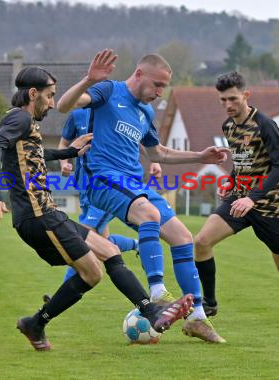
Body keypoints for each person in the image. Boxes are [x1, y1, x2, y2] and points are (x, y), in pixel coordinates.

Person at [0, 66, 193, 351]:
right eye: (50, 96)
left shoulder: (25, 123)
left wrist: (69, 152)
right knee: (94, 270)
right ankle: (151, 310)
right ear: (34, 94)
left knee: (106, 257)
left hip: (48, 214)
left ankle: (35, 324)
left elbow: (33, 154)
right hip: (38, 217)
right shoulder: (20, 117)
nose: (53, 103)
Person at [57, 49, 228, 343]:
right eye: (157, 85)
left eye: (164, 87)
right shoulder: (108, 91)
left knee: (182, 236)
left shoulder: (145, 112)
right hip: (101, 179)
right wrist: (89, 79)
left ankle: (198, 318)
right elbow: (63, 106)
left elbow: (157, 152)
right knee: (148, 215)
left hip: (133, 183)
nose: (160, 93)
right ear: (139, 74)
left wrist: (199, 155)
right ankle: (157, 293)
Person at [193, 72, 279, 324]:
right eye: (222, 100)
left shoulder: (264, 124)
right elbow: (242, 162)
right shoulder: (228, 126)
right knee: (201, 242)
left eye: (232, 99)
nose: (228, 105)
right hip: (239, 200)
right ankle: (210, 304)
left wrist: (252, 198)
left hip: (269, 208)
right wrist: (231, 183)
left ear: (246, 95)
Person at [57, 108, 163, 283]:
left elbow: (138, 138)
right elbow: (64, 143)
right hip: (86, 188)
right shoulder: (76, 115)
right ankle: (137, 244)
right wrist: (64, 162)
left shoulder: (115, 110)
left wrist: (155, 160)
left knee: (83, 238)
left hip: (109, 187)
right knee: (103, 242)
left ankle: (58, 296)